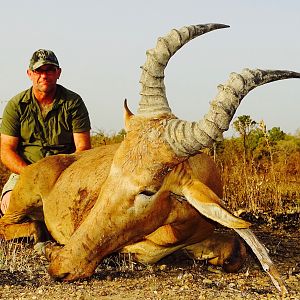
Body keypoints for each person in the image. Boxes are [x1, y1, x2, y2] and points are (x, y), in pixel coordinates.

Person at [0, 49, 91, 215]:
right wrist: (30, 173)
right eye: (38, 71)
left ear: (58, 73)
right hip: (25, 172)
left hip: (65, 174)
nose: (44, 75)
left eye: (49, 70)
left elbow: (83, 148)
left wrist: (63, 176)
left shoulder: (73, 103)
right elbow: (6, 150)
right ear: (29, 74)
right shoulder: (16, 105)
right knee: (9, 206)